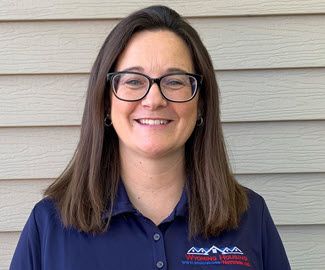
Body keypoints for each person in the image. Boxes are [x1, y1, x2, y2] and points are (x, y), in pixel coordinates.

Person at [10, 5, 291, 270]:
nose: (154, 99)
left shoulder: (251, 218)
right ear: (106, 102)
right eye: (133, 81)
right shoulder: (48, 225)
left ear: (201, 103)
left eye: (175, 81)